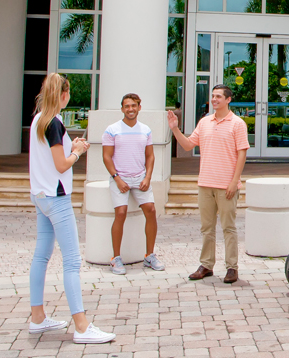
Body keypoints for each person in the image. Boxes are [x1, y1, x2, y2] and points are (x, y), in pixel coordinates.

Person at [28, 73, 115, 344]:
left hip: (41, 197)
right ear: (63, 94)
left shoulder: (37, 120)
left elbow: (51, 159)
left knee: (41, 257)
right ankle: (81, 326)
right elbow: (62, 165)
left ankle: (38, 317)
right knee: (72, 262)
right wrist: (77, 151)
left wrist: (72, 147)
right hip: (56, 199)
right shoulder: (53, 123)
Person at [167, 84, 249, 283]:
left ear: (228, 99)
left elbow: (242, 154)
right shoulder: (204, 122)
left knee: (228, 227)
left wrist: (234, 182)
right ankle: (206, 265)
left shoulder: (237, 124)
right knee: (207, 228)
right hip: (205, 183)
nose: (214, 99)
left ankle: (232, 268)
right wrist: (175, 129)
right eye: (213, 96)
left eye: (219, 96)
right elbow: (188, 145)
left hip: (226, 185)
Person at [102, 93, 163, 275]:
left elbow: (150, 156)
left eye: (134, 106)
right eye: (127, 106)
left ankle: (149, 255)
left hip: (140, 177)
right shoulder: (112, 129)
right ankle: (115, 258)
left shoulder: (145, 129)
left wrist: (147, 177)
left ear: (139, 107)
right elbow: (106, 157)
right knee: (121, 213)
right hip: (119, 177)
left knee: (151, 210)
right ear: (122, 108)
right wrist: (117, 178)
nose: (130, 109)